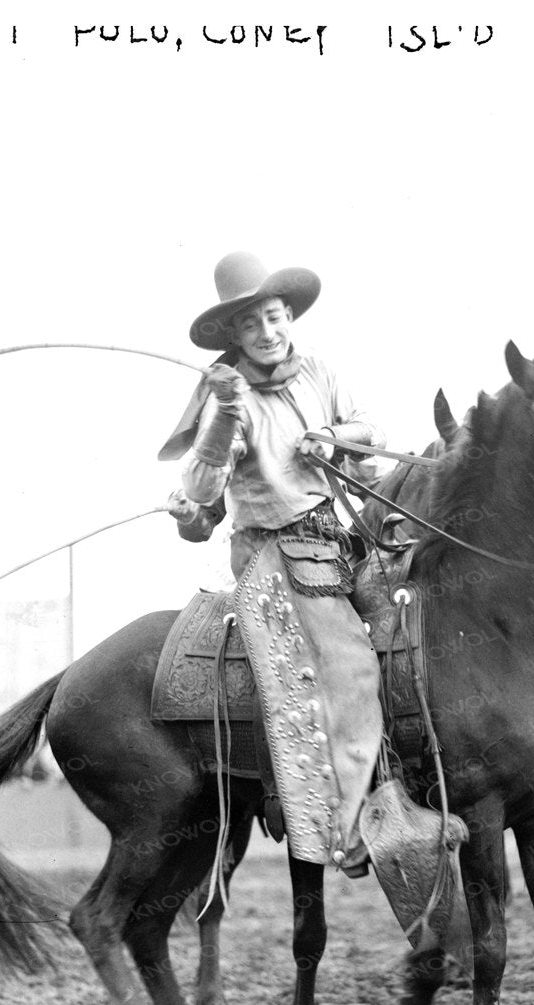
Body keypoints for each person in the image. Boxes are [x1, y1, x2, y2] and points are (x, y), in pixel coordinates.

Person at [161, 252, 387, 871]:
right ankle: (344, 824)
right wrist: (226, 414)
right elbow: (203, 489)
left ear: (289, 317)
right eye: (252, 324)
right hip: (272, 553)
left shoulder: (318, 370)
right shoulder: (224, 398)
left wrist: (335, 438)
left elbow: (369, 426)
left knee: (409, 620)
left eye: (275, 317)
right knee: (349, 667)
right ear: (233, 335)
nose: (267, 332)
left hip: (334, 539)